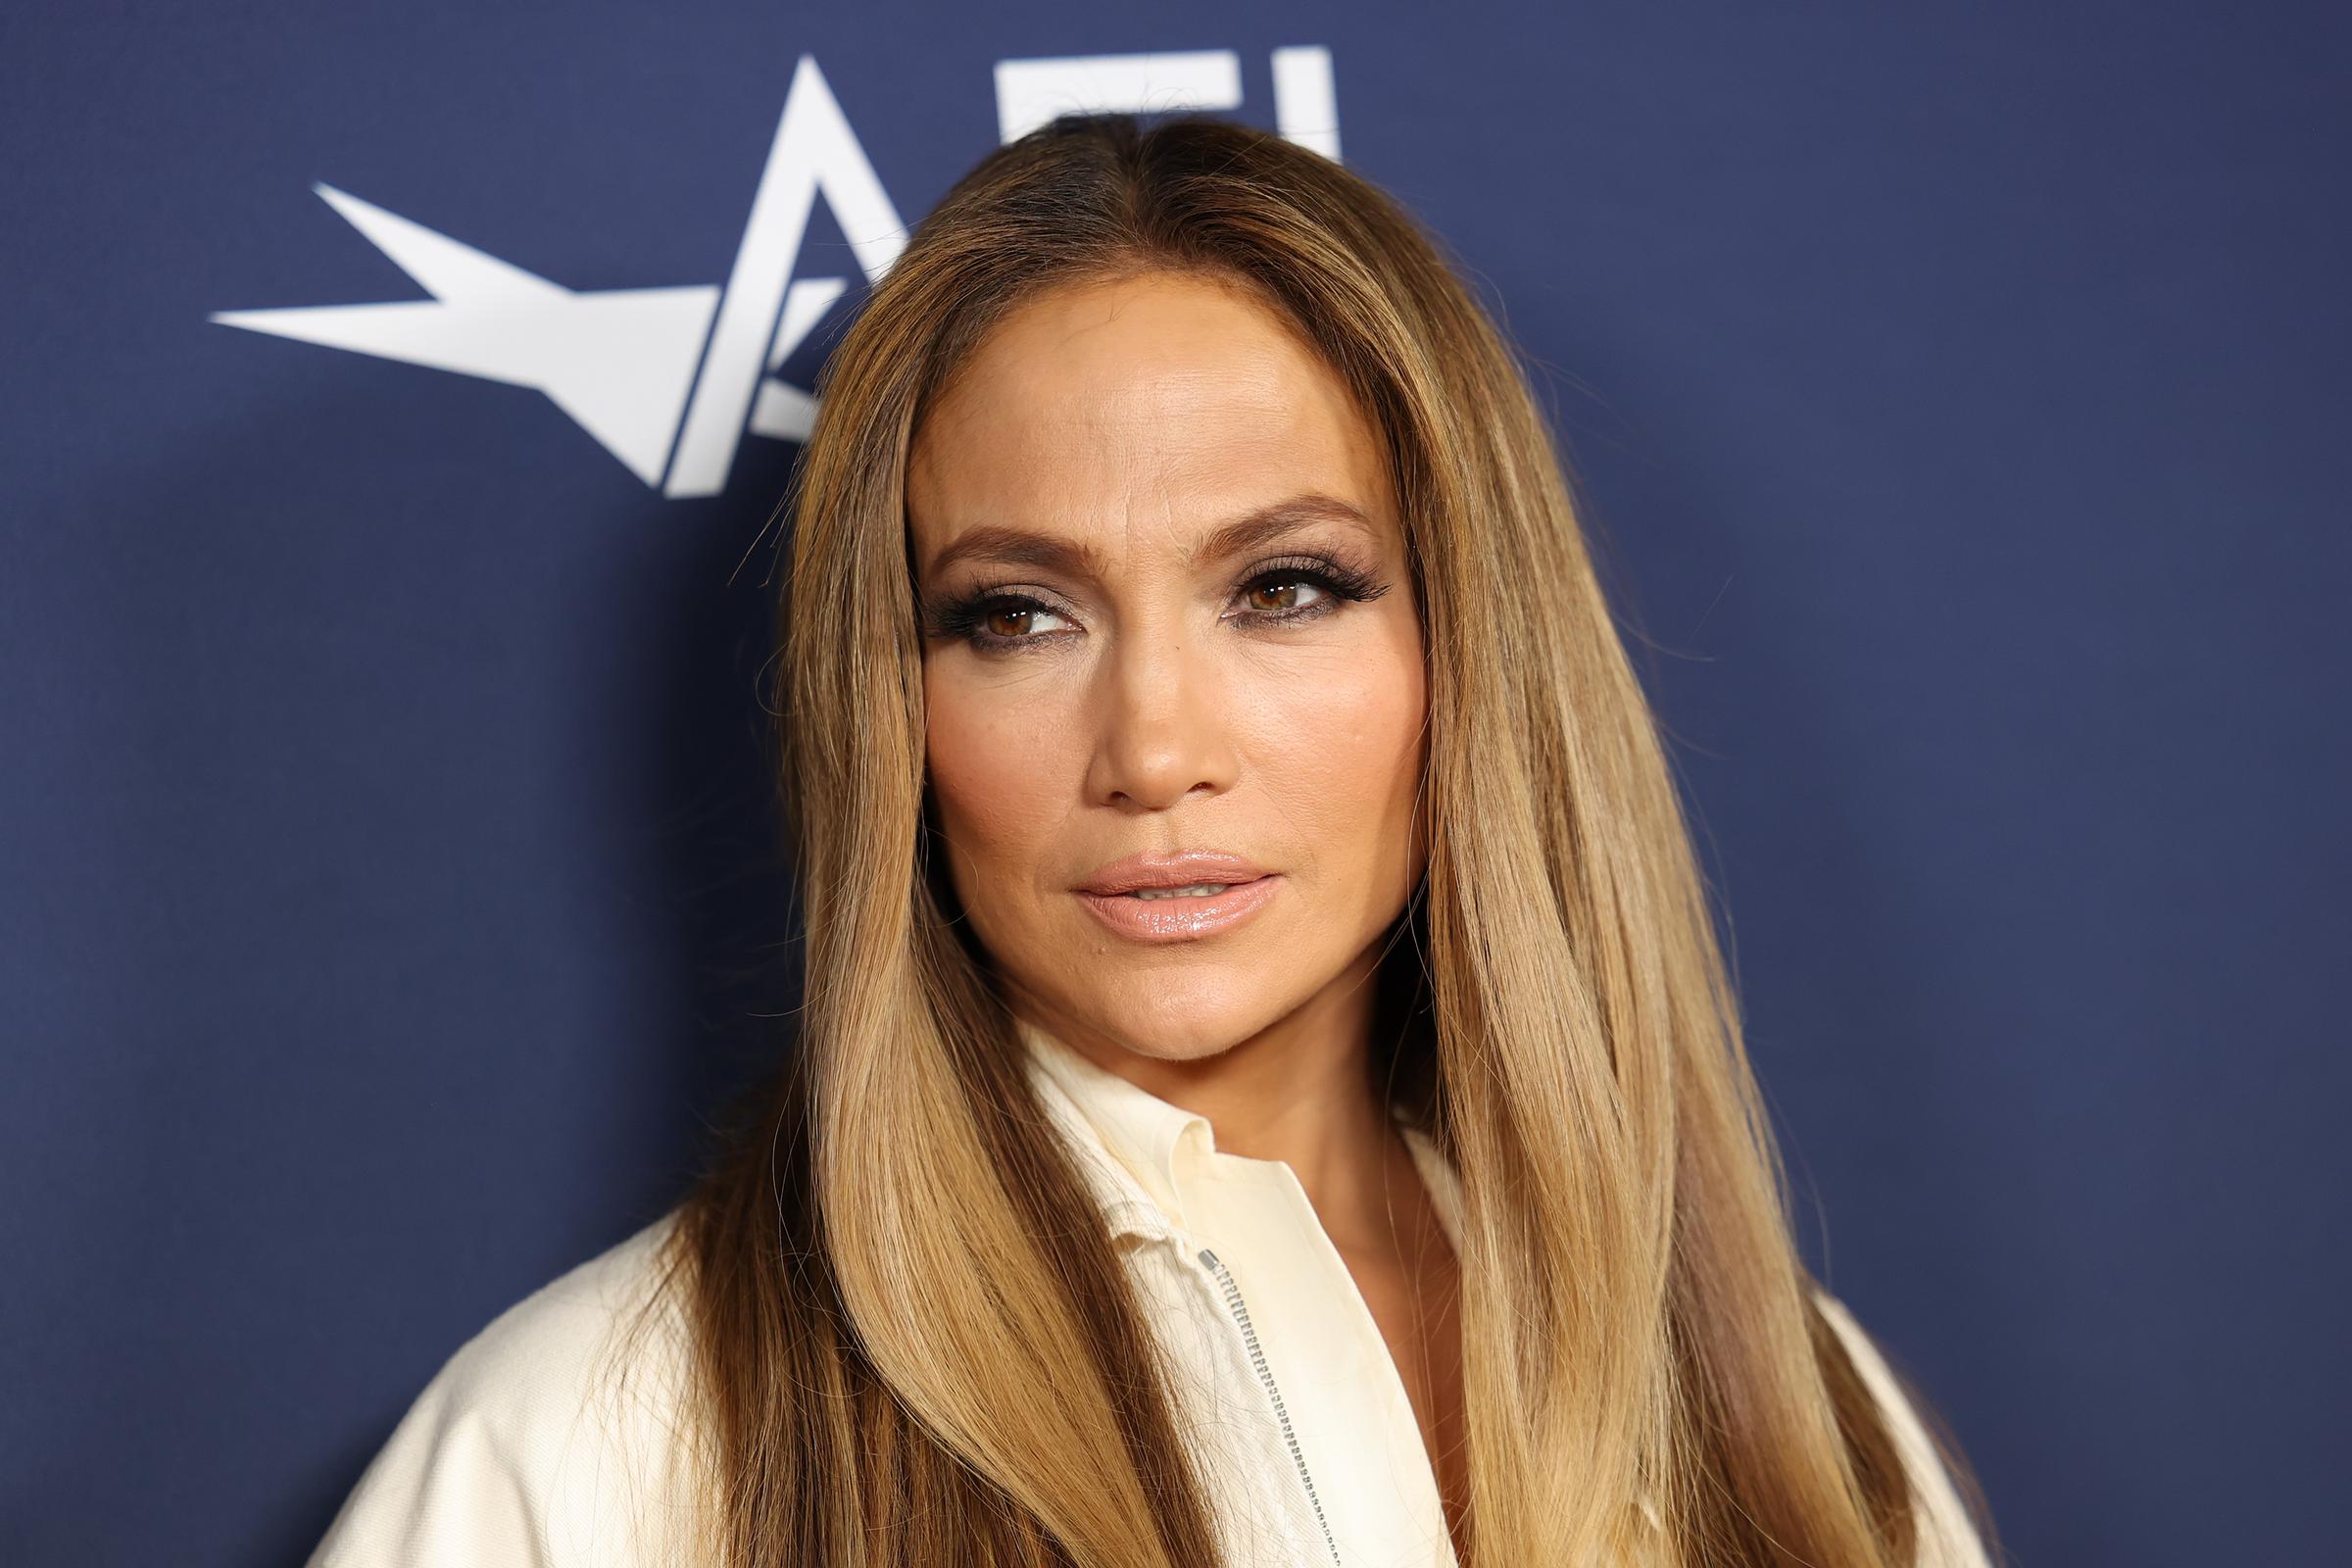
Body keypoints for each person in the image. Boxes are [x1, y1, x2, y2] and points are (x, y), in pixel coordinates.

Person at [303, 112, 2004, 1568]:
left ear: (1470, 651)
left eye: (1284, 588)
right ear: (888, 707)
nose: (1156, 751)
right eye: (1017, 617)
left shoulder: (1791, 1410)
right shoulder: (600, 1451)